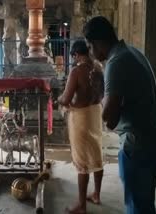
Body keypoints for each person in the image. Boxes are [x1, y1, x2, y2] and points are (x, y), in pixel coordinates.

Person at [83, 16, 156, 214]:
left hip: (139, 146)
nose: (90, 53)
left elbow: (109, 119)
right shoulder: (132, 52)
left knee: (137, 207)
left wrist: (98, 87)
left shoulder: (116, 62)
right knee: (144, 203)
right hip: (155, 138)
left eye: (89, 47)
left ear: (97, 43)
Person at [58, 39, 104, 214]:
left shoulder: (77, 71)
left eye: (74, 57)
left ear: (76, 54)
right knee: (96, 153)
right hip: (95, 114)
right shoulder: (99, 68)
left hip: (81, 117)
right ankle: (96, 194)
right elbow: (102, 93)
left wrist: (58, 99)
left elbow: (67, 99)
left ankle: (82, 206)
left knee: (82, 161)